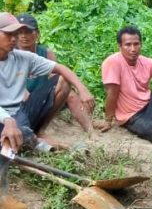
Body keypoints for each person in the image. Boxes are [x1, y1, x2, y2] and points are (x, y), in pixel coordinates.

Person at [0, 12, 96, 209]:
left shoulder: (23, 58)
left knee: (21, 135)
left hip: (17, 114)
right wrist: (7, 121)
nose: (15, 39)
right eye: (9, 34)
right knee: (9, 139)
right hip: (4, 116)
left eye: (15, 34)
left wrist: (83, 89)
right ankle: (2, 194)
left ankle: (37, 143)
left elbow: (60, 68)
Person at [15, 14, 95, 144]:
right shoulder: (9, 55)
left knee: (67, 88)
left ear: (37, 33)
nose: (23, 36)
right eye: (20, 32)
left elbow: (57, 77)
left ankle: (91, 132)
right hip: (17, 105)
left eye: (28, 32)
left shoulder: (44, 54)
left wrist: (82, 89)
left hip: (38, 99)